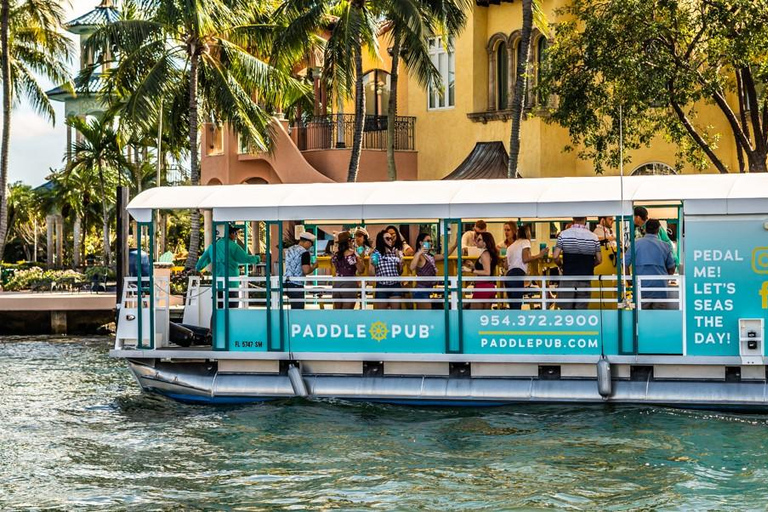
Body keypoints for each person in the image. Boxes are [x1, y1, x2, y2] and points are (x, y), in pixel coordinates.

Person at [196, 224, 261, 308]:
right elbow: (245, 258)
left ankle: (216, 322)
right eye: (235, 233)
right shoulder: (233, 246)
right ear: (230, 234)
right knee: (232, 310)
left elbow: (202, 262)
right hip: (231, 284)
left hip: (218, 284)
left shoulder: (212, 247)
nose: (236, 236)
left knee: (218, 310)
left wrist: (197, 270)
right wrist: (258, 258)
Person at [551, 217, 602, 310]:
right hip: (585, 279)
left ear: (573, 219)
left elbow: (555, 256)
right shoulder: (594, 237)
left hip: (568, 277)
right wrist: (589, 265)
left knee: (566, 312)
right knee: (581, 312)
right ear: (585, 219)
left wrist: (561, 265)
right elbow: (599, 259)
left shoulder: (564, 234)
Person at [625, 219, 676, 310]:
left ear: (645, 229)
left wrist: (629, 280)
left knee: (641, 320)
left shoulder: (635, 244)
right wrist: (666, 279)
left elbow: (625, 263)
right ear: (658, 229)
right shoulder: (666, 246)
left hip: (641, 289)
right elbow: (672, 269)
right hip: (660, 290)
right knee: (659, 320)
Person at [505, 224, 548, 310]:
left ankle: (512, 322)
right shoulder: (525, 242)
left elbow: (506, 266)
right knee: (517, 306)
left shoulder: (510, 247)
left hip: (508, 276)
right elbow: (525, 259)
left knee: (512, 306)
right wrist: (540, 255)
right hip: (517, 275)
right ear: (527, 233)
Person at [462, 231, 498, 309]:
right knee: (484, 318)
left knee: (475, 316)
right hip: (489, 287)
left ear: (485, 243)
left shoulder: (485, 254)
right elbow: (485, 270)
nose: (476, 241)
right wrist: (474, 267)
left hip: (482, 287)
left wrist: (470, 271)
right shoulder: (489, 254)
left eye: (479, 240)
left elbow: (487, 272)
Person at [370, 230, 404, 309]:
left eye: (391, 238)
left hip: (395, 284)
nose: (390, 240)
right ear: (381, 240)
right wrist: (373, 265)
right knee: (382, 315)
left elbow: (400, 272)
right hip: (382, 285)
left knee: (395, 313)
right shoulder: (375, 253)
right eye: (387, 238)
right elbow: (371, 273)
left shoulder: (395, 252)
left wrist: (400, 263)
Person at [284, 232, 318, 309]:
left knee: (293, 308)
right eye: (311, 244)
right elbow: (306, 270)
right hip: (296, 284)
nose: (310, 247)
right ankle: (295, 321)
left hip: (286, 282)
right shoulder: (305, 253)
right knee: (298, 310)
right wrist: (314, 266)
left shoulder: (289, 249)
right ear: (307, 242)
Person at [409, 233, 443, 309]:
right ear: (421, 243)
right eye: (428, 241)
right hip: (421, 291)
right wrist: (420, 252)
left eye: (431, 241)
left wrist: (455, 245)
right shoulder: (419, 256)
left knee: (426, 317)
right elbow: (411, 267)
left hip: (429, 289)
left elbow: (444, 256)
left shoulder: (430, 257)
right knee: (425, 317)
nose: (430, 243)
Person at [331, 231, 364, 309]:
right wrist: (360, 258)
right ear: (349, 241)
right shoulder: (351, 255)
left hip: (337, 284)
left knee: (338, 313)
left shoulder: (335, 256)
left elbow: (334, 269)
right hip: (349, 284)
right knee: (347, 314)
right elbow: (361, 270)